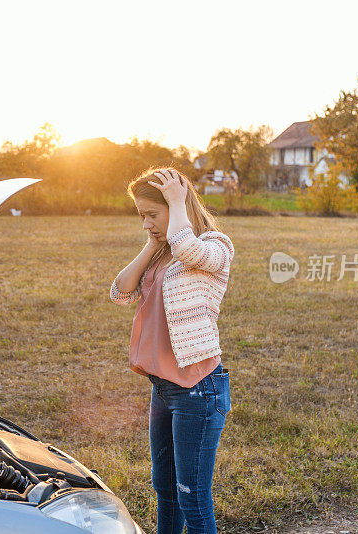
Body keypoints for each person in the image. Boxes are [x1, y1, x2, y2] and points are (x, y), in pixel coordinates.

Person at [109, 166, 235, 534]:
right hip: (164, 388)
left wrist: (178, 202)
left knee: (192, 497)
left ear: (177, 205)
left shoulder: (216, 246)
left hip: (197, 389)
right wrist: (151, 243)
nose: (145, 223)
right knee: (165, 489)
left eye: (152, 214)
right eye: (140, 216)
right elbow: (120, 291)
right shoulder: (162, 252)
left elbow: (187, 246)